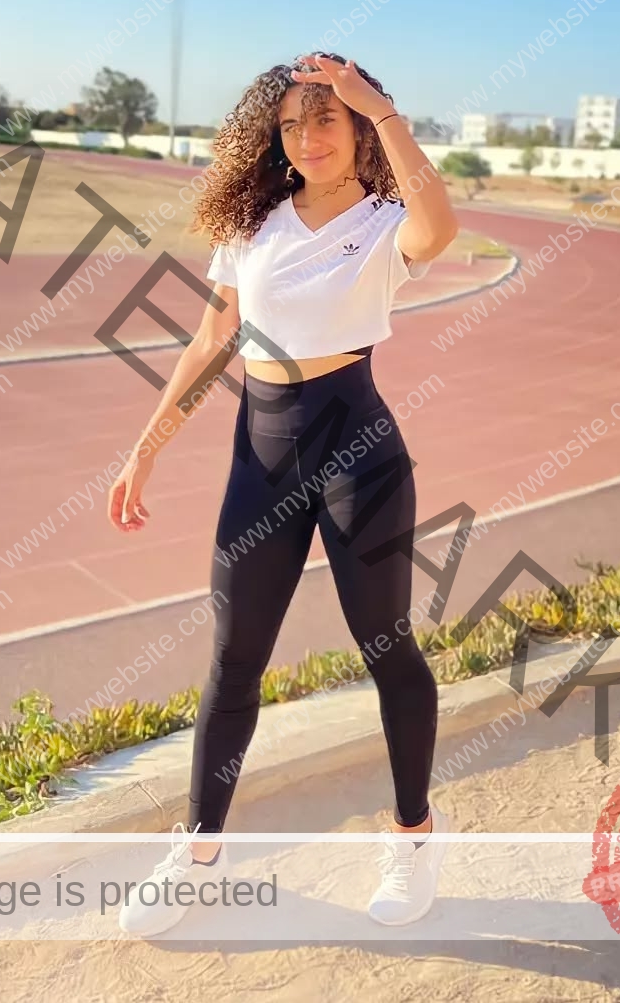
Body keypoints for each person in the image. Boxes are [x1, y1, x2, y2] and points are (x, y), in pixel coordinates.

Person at [107, 52, 460, 935]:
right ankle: (196, 854)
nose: (310, 136)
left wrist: (384, 111)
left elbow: (442, 230)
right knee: (233, 661)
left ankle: (414, 836)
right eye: (295, 123)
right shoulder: (253, 225)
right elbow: (209, 341)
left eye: (329, 118)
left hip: (358, 449)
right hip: (260, 452)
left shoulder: (388, 218)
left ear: (356, 127)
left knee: (385, 644)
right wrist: (144, 449)